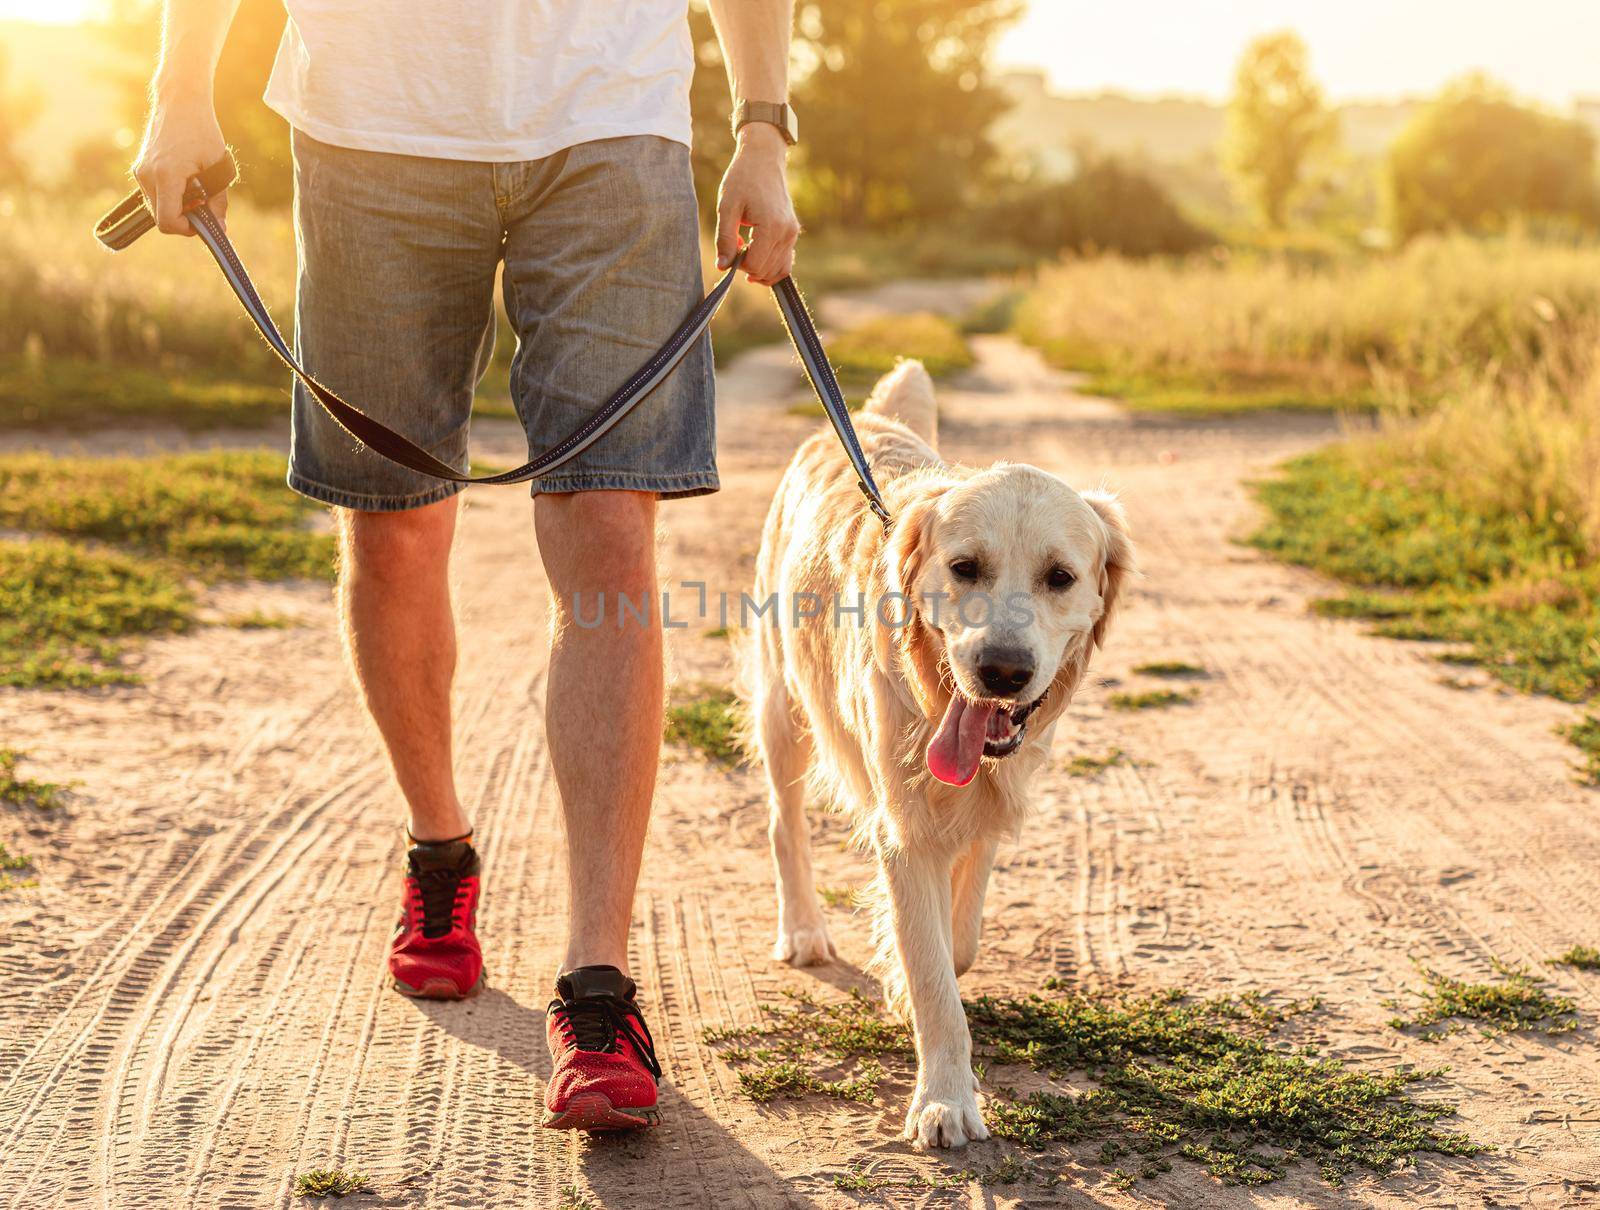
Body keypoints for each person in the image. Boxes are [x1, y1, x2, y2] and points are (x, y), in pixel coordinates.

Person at [133, 0, 800, 1132]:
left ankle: (598, 985)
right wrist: (177, 91)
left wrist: (763, 128)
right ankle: (440, 850)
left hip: (613, 123)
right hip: (371, 123)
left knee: (608, 533)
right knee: (392, 521)